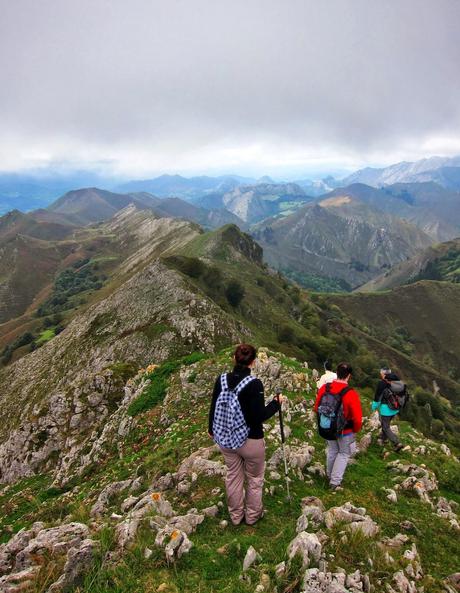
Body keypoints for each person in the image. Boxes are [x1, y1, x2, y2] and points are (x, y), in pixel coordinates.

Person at [208, 344, 283, 525]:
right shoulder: (254, 384)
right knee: (255, 479)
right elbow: (258, 416)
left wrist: (211, 429)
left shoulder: (222, 380)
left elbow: (213, 406)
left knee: (233, 475)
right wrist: (276, 403)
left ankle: (235, 516)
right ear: (253, 362)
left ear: (234, 358)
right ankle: (252, 517)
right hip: (250, 441)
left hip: (225, 439)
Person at [314, 362, 362, 490]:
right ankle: (335, 482)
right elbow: (357, 418)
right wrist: (355, 430)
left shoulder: (325, 388)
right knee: (344, 453)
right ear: (349, 376)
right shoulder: (350, 393)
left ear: (337, 372)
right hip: (344, 430)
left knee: (332, 450)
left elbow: (317, 406)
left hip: (328, 426)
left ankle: (330, 476)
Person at [372, 371, 404, 451]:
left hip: (386, 409)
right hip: (395, 409)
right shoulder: (399, 386)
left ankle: (397, 443)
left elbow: (378, 398)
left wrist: (374, 407)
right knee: (386, 424)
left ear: (389, 380)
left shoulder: (385, 386)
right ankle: (382, 438)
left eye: (386, 379)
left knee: (385, 426)